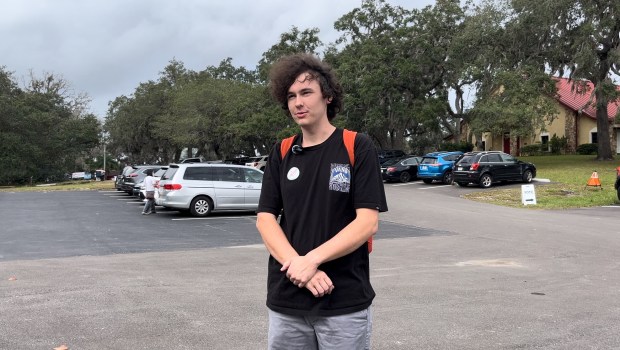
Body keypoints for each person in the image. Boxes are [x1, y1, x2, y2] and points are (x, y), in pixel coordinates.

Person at [256, 53, 388, 349]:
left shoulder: (357, 146)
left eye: (306, 92)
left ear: (327, 96)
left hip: (343, 301)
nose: (298, 103)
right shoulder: (282, 152)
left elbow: (368, 222)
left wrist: (312, 260)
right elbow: (265, 219)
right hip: (286, 301)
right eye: (291, 96)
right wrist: (299, 267)